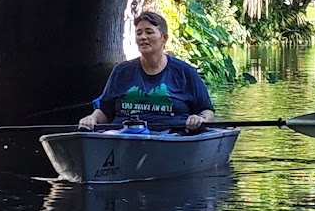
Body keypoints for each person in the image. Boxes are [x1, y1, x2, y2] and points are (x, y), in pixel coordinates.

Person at [78, 9, 216, 132]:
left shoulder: (185, 72)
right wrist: (91, 118)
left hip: (173, 137)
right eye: (139, 33)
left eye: (149, 32)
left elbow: (207, 111)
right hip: (124, 136)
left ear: (164, 38)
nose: (143, 37)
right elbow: (105, 112)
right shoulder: (121, 72)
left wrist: (200, 119)